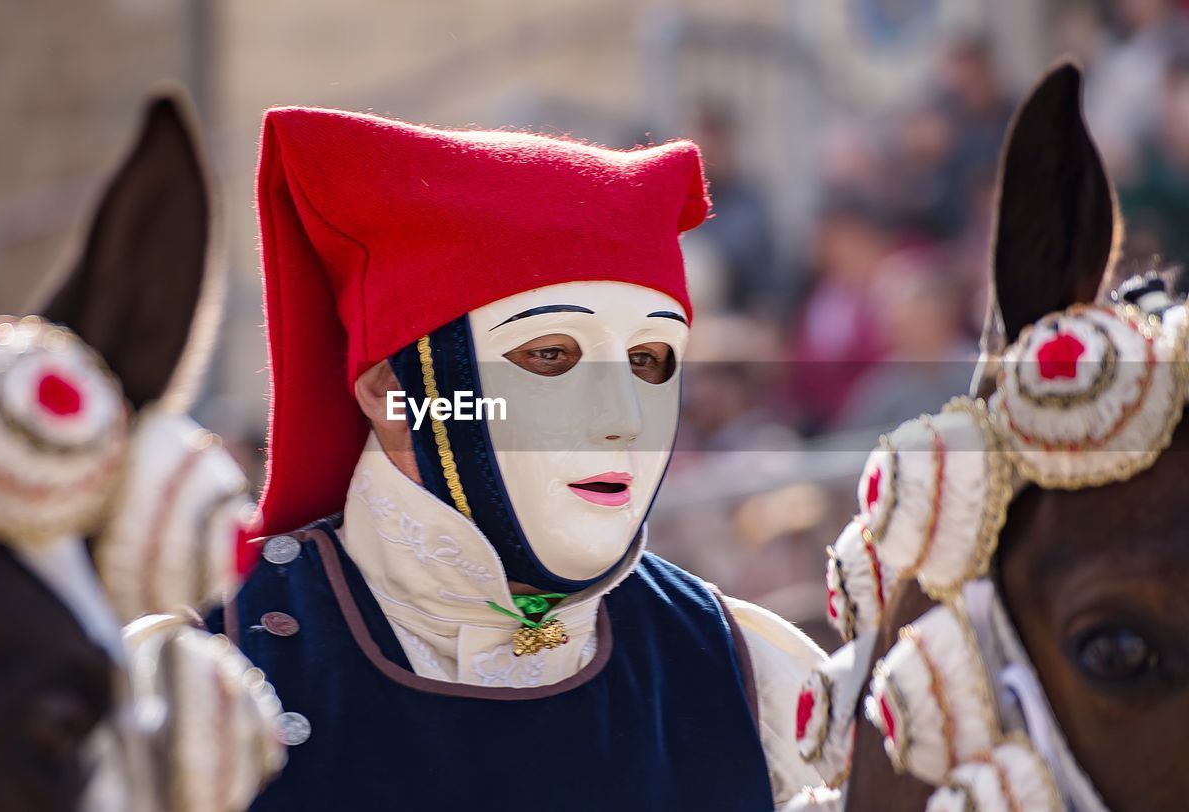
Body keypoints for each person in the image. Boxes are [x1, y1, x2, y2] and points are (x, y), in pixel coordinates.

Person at [206, 108, 826, 809]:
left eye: (650, 361)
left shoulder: (749, 675)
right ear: (394, 393)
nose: (622, 419)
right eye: (551, 355)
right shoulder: (206, 674)